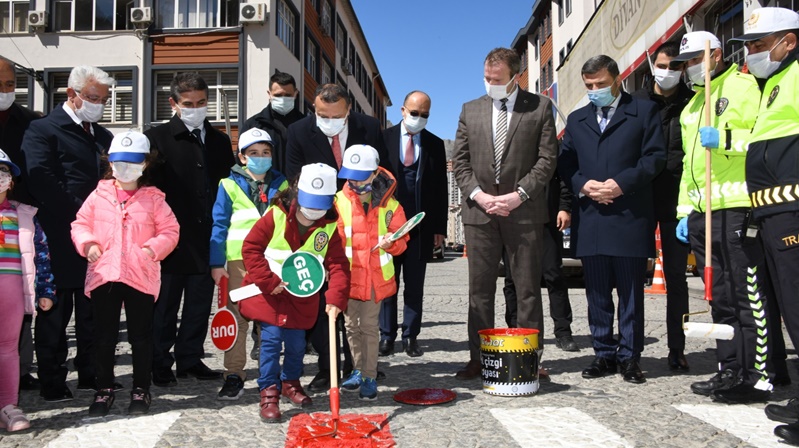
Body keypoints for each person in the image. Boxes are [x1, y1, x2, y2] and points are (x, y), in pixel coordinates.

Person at [670, 31, 769, 403]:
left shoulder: (744, 86)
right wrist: (684, 211)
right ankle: (728, 369)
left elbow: (762, 141)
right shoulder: (691, 107)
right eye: (686, 63)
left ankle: (758, 374)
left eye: (696, 59)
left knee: (747, 297)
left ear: (715, 56)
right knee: (719, 299)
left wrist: (725, 141)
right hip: (702, 214)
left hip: (737, 208)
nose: (690, 68)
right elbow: (688, 167)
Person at [451, 47, 557, 380]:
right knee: (479, 291)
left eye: (497, 79)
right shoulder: (471, 110)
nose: (490, 84)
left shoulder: (539, 108)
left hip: (523, 213)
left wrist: (519, 195)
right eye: (486, 78)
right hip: (480, 214)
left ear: (515, 76)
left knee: (526, 288)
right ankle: (478, 357)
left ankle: (529, 358)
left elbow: (546, 160)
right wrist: (479, 195)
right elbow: (461, 161)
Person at [559, 55, 666, 384]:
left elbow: (655, 158)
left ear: (617, 79)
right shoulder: (577, 120)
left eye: (601, 84)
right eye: (589, 86)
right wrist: (582, 185)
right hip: (592, 218)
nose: (595, 90)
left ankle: (630, 357)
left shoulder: (644, 111)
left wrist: (622, 184)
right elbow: (566, 164)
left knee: (631, 293)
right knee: (597, 294)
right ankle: (603, 353)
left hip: (629, 216)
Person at [723, 7, 799, 442]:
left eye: (757, 45)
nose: (750, 54)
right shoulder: (773, 83)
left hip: (792, 209)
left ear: (787, 41)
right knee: (788, 308)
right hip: (769, 210)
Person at [284, 83, 388, 392]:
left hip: (361, 225)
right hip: (318, 222)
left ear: (348, 112)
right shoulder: (299, 131)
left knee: (358, 306)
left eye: (336, 116)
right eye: (321, 114)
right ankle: (327, 367)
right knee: (323, 299)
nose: (328, 121)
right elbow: (293, 179)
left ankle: (358, 366)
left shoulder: (368, 127)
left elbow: (382, 173)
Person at [22, 65, 116, 401]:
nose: (97, 105)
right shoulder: (43, 130)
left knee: (94, 314)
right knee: (54, 315)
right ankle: (52, 379)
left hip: (97, 241)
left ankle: (91, 373)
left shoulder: (103, 136)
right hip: (58, 236)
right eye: (92, 98)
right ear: (71, 94)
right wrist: (85, 213)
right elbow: (42, 179)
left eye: (103, 100)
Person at [71, 131, 179, 416]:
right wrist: (88, 243)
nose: (125, 169)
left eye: (133, 162)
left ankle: (141, 388)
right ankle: (104, 388)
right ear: (110, 162)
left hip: (139, 275)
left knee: (141, 336)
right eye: (120, 162)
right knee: (104, 336)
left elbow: (170, 230)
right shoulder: (99, 194)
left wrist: (153, 249)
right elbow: (80, 223)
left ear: (145, 163)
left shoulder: (154, 199)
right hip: (105, 274)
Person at [239, 163, 350, 423]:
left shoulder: (329, 226)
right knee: (271, 341)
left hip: (302, 297)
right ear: (297, 193)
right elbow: (251, 248)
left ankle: (290, 383)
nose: (312, 213)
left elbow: (338, 265)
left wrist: (335, 299)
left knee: (298, 344)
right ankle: (269, 391)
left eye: (320, 206)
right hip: (271, 295)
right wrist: (268, 281)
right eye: (308, 204)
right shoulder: (275, 215)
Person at [146, 72, 235, 387]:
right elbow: (148, 194)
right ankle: (158, 362)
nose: (195, 108)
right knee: (165, 307)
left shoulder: (221, 141)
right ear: (173, 103)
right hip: (169, 242)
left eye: (200, 103)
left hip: (206, 240)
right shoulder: (155, 139)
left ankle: (189, 359)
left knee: (198, 306)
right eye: (188, 103)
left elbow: (228, 188)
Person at [210, 127, 287, 400]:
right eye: (253, 153)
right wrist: (216, 262)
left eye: (266, 153)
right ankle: (233, 373)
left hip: (270, 260)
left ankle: (269, 376)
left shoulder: (283, 185)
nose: (260, 158)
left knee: (267, 319)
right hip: (237, 262)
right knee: (237, 316)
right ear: (242, 157)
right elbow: (219, 225)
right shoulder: (227, 184)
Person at [632, 41, 694, 372]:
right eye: (662, 64)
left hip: (677, 203)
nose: (668, 71)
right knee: (630, 279)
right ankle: (631, 349)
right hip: (639, 201)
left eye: (675, 66)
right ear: (652, 65)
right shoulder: (636, 103)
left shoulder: (693, 101)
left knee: (676, 279)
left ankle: (677, 348)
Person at [336, 145, 408, 400]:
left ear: (375, 173)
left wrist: (393, 241)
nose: (354, 180)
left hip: (375, 278)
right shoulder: (339, 201)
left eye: (361, 175)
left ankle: (368, 374)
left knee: (368, 327)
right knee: (350, 326)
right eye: (350, 174)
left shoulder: (391, 205)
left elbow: (402, 241)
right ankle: (357, 370)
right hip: (348, 278)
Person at [378, 91, 447, 358]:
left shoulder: (435, 144)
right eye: (415, 113)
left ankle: (411, 336)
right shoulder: (383, 140)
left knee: (415, 284)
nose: (419, 118)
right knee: (388, 283)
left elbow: (440, 188)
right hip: (389, 227)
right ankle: (387, 336)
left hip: (420, 226)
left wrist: (439, 227)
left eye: (425, 115)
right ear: (403, 110)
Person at [0, 148, 55, 431]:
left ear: (11, 181)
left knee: (9, 349)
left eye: (3, 172)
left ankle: (8, 405)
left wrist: (46, 289)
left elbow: (41, 253)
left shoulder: (25, 215)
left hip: (11, 288)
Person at [0, 55, 42, 390]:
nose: (4, 91)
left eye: (10, 85)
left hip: (20, 216)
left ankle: (21, 369)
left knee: (20, 293)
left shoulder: (31, 122)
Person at [503, 174, 579, 352]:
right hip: (514, 219)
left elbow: (564, 179)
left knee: (554, 275)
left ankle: (563, 332)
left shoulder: (550, 146)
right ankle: (515, 328)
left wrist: (564, 207)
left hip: (548, 218)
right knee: (512, 278)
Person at [240, 71, 304, 175]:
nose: (283, 99)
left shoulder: (305, 125)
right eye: (278, 95)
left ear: (296, 94)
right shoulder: (253, 125)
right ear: (269, 94)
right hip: (266, 188)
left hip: (298, 188)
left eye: (288, 95)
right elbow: (242, 164)